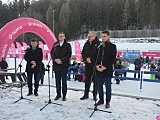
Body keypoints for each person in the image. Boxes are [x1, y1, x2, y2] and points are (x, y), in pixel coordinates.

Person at [95, 30, 117, 108]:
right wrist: (97, 66)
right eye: (102, 36)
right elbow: (96, 57)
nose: (103, 38)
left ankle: (108, 101)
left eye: (104, 36)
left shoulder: (112, 46)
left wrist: (105, 67)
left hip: (107, 70)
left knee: (108, 87)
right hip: (99, 70)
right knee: (99, 86)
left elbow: (112, 59)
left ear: (108, 36)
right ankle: (101, 99)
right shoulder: (99, 46)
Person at [51, 32, 72, 101]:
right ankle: (58, 94)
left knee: (64, 81)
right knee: (57, 81)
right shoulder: (55, 44)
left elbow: (68, 55)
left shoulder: (68, 45)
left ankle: (64, 95)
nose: (60, 37)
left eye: (62, 36)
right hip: (56, 65)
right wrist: (55, 60)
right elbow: (52, 53)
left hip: (64, 65)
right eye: (59, 36)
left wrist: (61, 60)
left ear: (64, 37)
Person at [80, 31, 100, 100]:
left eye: (90, 37)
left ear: (94, 36)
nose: (88, 38)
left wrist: (91, 59)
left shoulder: (98, 44)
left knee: (95, 81)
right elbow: (83, 52)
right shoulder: (86, 44)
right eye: (88, 37)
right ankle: (86, 94)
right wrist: (86, 58)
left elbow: (98, 55)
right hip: (87, 64)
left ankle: (95, 95)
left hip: (95, 65)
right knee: (87, 80)